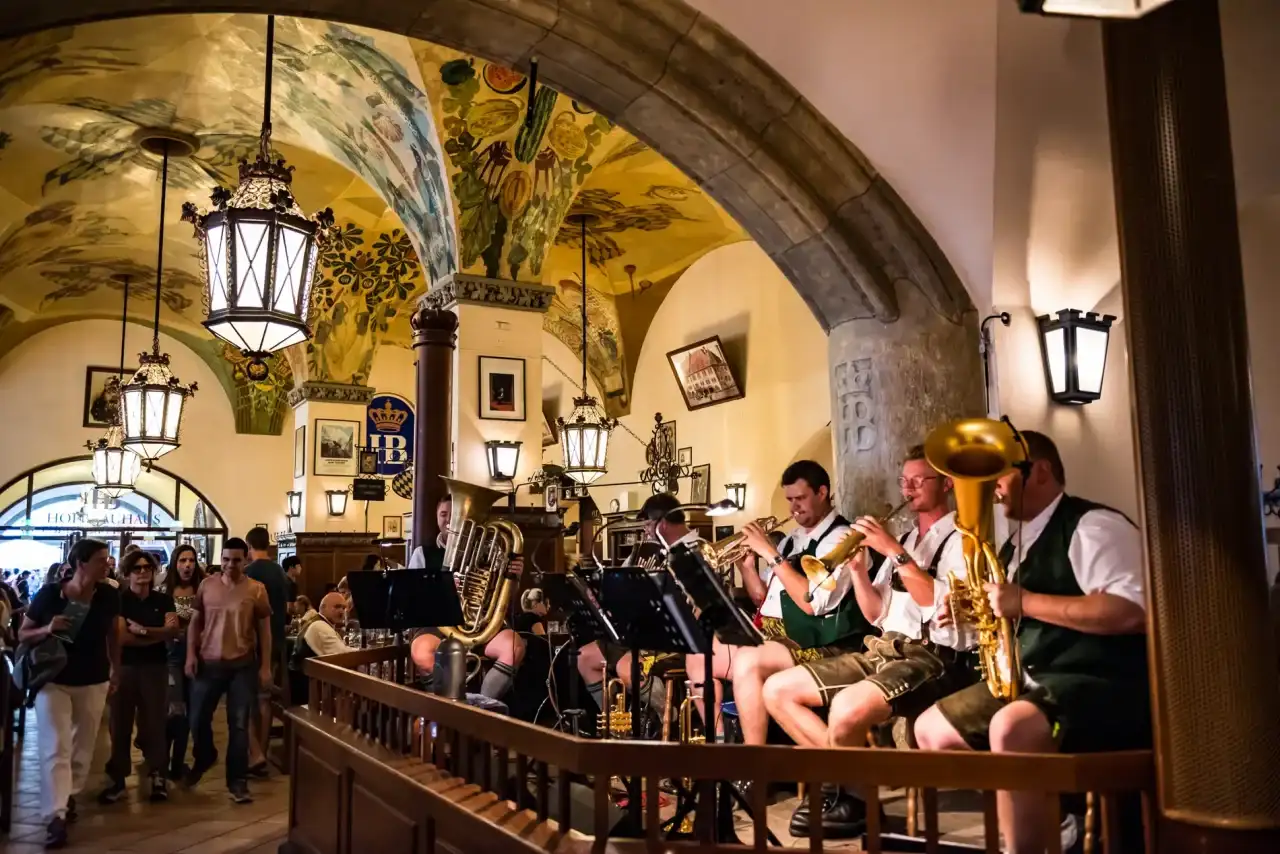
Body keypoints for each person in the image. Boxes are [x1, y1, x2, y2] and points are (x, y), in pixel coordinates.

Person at [913, 431, 1149, 854]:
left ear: (1039, 472)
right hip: (1032, 679)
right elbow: (1005, 612)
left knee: (1011, 727)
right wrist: (967, 609)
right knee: (930, 731)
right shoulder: (1014, 544)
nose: (991, 487)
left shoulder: (1094, 526)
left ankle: (1026, 844)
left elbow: (1133, 612)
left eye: (999, 473)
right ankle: (1052, 819)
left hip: (1099, 679)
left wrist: (1027, 601)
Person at [762, 444, 974, 837]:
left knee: (846, 706)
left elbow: (935, 602)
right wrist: (859, 571)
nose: (907, 489)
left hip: (933, 656)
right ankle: (850, 788)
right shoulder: (909, 537)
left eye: (917, 481)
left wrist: (893, 551)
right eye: (903, 481)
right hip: (884, 647)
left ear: (945, 484)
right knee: (776, 690)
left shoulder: (962, 540)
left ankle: (849, 796)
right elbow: (876, 612)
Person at [709, 461, 870, 749]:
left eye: (801, 498)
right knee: (703, 649)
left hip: (818, 640)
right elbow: (762, 598)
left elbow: (811, 604)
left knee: (747, 660)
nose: (794, 507)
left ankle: (756, 764)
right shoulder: (792, 540)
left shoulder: (840, 538)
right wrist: (747, 566)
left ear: (823, 493)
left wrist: (771, 554)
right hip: (777, 633)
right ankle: (718, 742)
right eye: (789, 500)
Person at [19, 538, 121, 849]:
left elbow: (114, 632)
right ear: (80, 563)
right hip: (54, 678)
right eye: (102, 559)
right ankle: (55, 816)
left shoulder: (108, 595)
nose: (108, 563)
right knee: (55, 746)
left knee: (83, 746)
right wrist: (47, 629)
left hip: (93, 678)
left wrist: (116, 668)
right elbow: (22, 633)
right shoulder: (51, 594)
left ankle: (68, 793)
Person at [408, 495, 527, 701]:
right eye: (443, 515)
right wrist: (443, 589)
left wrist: (513, 577)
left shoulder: (488, 550)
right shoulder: (423, 553)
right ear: (437, 518)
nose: (448, 520)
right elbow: (411, 596)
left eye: (454, 515)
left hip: (479, 623)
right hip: (438, 623)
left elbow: (504, 596)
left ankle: (480, 706)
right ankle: (447, 707)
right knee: (421, 652)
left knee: (514, 647)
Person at [185, 538, 273, 804]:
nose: (230, 565)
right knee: (197, 719)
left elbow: (265, 632)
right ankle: (205, 756)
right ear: (220, 559)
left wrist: (266, 666)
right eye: (225, 559)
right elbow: (195, 622)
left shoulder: (256, 590)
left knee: (239, 726)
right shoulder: (206, 585)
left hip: (241, 666)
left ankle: (238, 781)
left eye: (236, 560)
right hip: (208, 663)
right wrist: (190, 654)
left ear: (245, 560)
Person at [101, 550, 178, 805]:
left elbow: (173, 631)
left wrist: (143, 630)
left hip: (156, 667)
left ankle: (158, 774)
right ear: (127, 572)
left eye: (147, 567)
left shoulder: (164, 600)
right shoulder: (119, 600)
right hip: (124, 667)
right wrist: (157, 634)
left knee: (156, 722)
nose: (143, 572)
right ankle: (118, 778)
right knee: (120, 724)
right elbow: (122, 637)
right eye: (137, 568)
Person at [243, 527, 287, 779]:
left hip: (252, 643)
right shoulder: (280, 572)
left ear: (249, 546)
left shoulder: (248, 574)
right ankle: (263, 751)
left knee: (248, 700)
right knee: (265, 699)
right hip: (278, 641)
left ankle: (254, 753)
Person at [161, 544, 203, 781]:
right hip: (172, 656)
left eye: (191, 560)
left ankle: (178, 763)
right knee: (174, 710)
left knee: (190, 713)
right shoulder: (164, 591)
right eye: (183, 560)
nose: (187, 565)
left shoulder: (203, 590)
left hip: (198, 654)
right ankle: (161, 760)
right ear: (175, 563)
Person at [299, 593, 355, 658]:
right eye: (337, 607)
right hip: (309, 668)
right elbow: (342, 654)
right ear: (323, 608)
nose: (341, 611)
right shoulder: (320, 625)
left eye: (343, 608)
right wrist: (364, 652)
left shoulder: (318, 621)